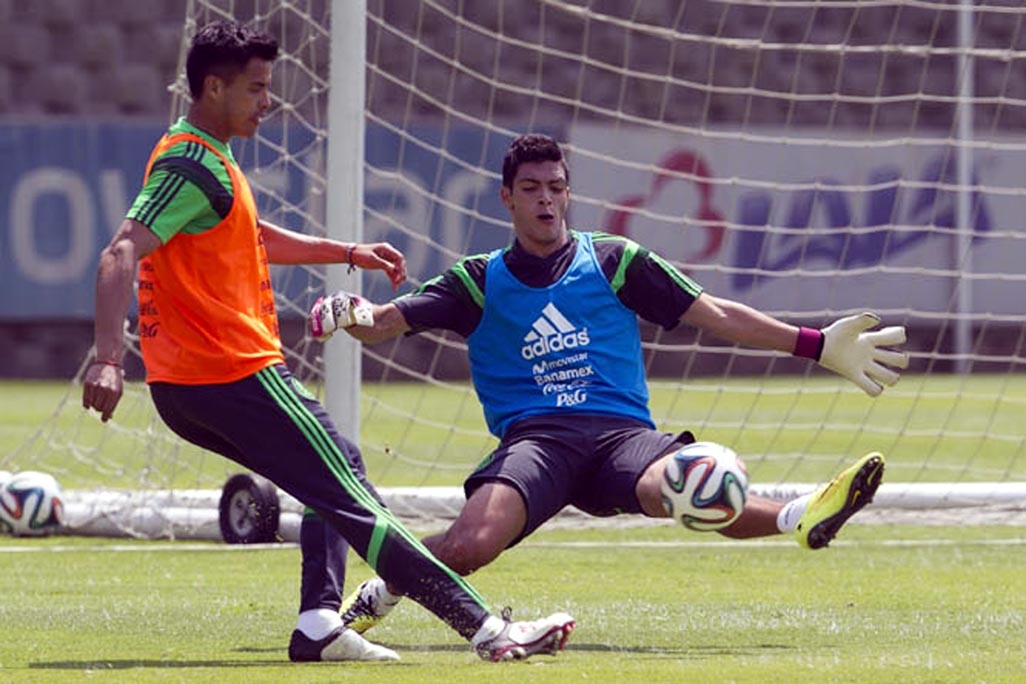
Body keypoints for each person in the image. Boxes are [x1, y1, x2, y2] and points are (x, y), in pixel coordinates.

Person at [80, 22, 574, 664]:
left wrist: (346, 252)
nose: (268, 101)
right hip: (230, 375)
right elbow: (120, 249)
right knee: (348, 490)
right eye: (256, 88)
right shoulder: (190, 161)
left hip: (194, 384)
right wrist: (108, 358)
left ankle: (318, 620)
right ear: (213, 85)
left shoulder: (207, 159)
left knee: (335, 470)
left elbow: (252, 235)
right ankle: (487, 629)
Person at [308, 132, 910, 634]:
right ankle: (383, 590)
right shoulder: (478, 280)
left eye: (556, 188)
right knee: (470, 548)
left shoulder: (616, 260)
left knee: (691, 482)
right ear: (506, 200)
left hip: (622, 438)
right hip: (537, 444)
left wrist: (816, 344)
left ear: (567, 194)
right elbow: (386, 322)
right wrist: (351, 313)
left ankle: (799, 516)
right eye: (531, 189)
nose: (546, 200)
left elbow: (716, 313)